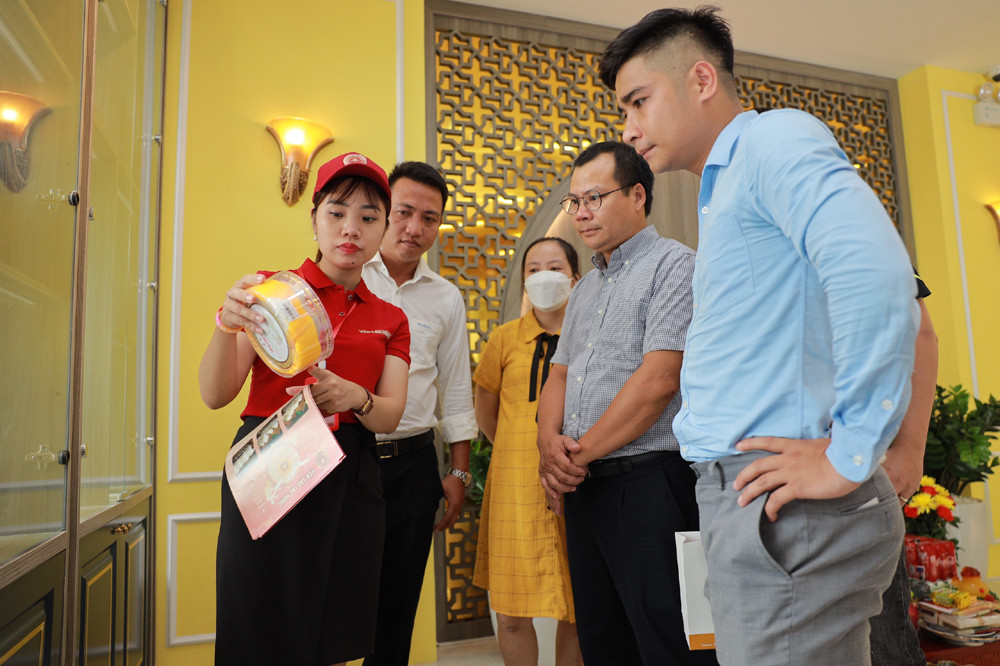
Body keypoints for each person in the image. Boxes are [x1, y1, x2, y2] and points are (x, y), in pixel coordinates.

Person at [599, 8, 920, 664]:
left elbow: (877, 275)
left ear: (700, 79)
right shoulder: (725, 188)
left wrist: (851, 451)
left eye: (639, 101)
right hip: (758, 499)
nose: (628, 129)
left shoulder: (772, 140)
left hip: (785, 508)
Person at [200, 152, 411, 665]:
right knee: (255, 618)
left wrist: (356, 397)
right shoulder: (270, 291)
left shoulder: (391, 318)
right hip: (271, 458)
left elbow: (389, 416)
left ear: (384, 228)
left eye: (368, 217)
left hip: (349, 468)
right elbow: (215, 393)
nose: (351, 229)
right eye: (336, 212)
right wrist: (227, 324)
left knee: (331, 627)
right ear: (314, 218)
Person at [536, 141, 716, 666]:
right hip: (585, 488)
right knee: (602, 640)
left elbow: (659, 380)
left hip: (649, 484)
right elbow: (559, 373)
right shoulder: (584, 288)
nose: (581, 212)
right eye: (574, 201)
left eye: (594, 197)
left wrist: (574, 455)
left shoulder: (675, 265)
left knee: (668, 643)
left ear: (638, 195)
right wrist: (548, 444)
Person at [361, 161, 478, 666]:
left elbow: (456, 390)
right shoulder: (345, 273)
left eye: (429, 218)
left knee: (396, 609)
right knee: (329, 600)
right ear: (383, 210)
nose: (414, 228)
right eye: (404, 212)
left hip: (412, 466)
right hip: (346, 457)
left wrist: (458, 471)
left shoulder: (445, 297)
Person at [473, 237, 584, 666]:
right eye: (533, 270)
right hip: (514, 489)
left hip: (576, 483)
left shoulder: (590, 336)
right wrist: (517, 446)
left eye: (554, 268)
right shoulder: (504, 340)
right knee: (511, 612)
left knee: (577, 608)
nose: (543, 277)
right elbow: (487, 410)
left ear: (575, 278)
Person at [870, 275, 937, 666]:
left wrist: (910, 450)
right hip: (743, 483)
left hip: (850, 480)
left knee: (882, 648)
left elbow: (916, 329)